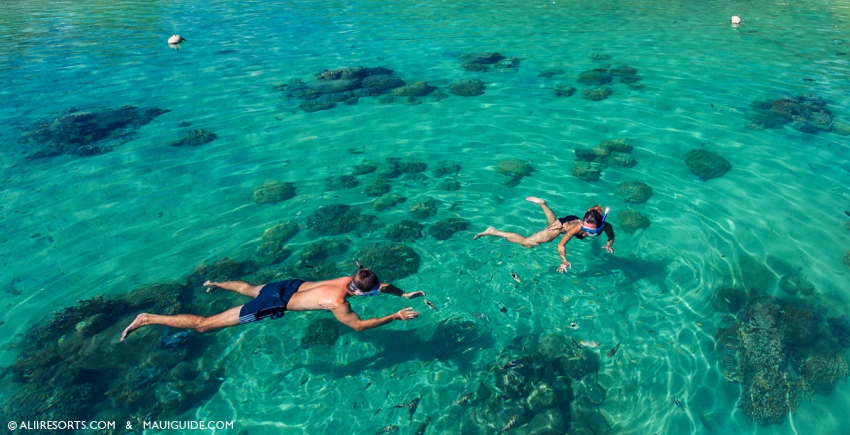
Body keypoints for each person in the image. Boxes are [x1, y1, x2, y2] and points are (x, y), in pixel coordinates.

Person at [121, 262, 424, 340]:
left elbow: (380, 285)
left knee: (249, 287)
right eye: (372, 293)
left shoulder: (349, 278)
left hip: (287, 285)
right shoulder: (339, 304)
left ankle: (214, 283)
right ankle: (148, 318)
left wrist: (403, 293)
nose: (376, 291)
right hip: (273, 304)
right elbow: (359, 327)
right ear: (361, 291)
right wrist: (395, 316)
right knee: (202, 327)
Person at [473, 196, 615, 273]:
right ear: (583, 223)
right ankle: (493, 231)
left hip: (568, 220)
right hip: (562, 227)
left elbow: (611, 236)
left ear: (600, 225)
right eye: (586, 228)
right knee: (529, 242)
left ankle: (543, 204)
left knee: (551, 223)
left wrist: (609, 245)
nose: (587, 233)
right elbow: (561, 244)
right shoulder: (577, 228)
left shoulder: (605, 226)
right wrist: (563, 260)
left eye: (593, 231)